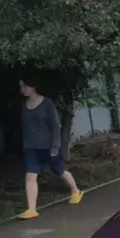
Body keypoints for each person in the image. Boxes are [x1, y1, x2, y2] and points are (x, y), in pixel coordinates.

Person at [18, 75, 83, 220]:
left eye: (24, 86)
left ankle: (75, 190)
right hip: (31, 148)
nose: (22, 90)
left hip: (48, 146)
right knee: (30, 175)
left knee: (60, 171)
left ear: (33, 86)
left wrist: (55, 146)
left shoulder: (47, 103)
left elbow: (55, 126)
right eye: (21, 87)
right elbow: (26, 128)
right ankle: (31, 209)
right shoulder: (24, 106)